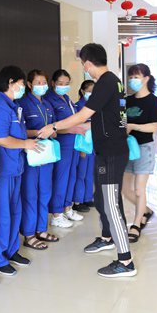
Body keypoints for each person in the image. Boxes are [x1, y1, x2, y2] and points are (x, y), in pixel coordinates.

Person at [38, 43, 137, 278]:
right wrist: (87, 127)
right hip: (106, 150)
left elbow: (84, 114)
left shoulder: (106, 82)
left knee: (111, 205)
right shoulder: (114, 81)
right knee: (102, 199)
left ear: (89, 63)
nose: (84, 69)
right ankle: (107, 237)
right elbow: (108, 117)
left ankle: (126, 261)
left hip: (111, 152)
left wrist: (54, 126)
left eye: (84, 65)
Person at [0, 66, 44, 275]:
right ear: (10, 82)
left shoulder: (13, 105)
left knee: (14, 211)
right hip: (4, 169)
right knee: (3, 214)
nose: (23, 87)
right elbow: (0, 139)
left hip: (16, 167)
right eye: (21, 83)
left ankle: (12, 250)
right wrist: (25, 144)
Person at [18, 69, 60, 250]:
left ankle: (41, 229)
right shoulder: (22, 104)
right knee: (30, 194)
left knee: (45, 193)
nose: (42, 86)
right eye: (38, 83)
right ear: (29, 85)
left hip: (47, 155)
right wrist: (38, 132)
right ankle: (29, 234)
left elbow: (55, 127)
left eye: (44, 82)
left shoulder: (47, 104)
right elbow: (19, 131)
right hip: (32, 155)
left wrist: (53, 131)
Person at [122, 63, 157, 243]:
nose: (133, 80)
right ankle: (145, 210)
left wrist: (134, 126)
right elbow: (120, 121)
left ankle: (136, 224)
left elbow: (154, 126)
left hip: (144, 148)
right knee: (125, 189)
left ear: (146, 79)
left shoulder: (153, 101)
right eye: (130, 77)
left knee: (139, 189)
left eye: (136, 77)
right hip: (127, 148)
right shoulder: (126, 101)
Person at [43, 70, 86, 228]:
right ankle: (57, 213)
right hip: (62, 144)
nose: (64, 86)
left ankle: (67, 207)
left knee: (71, 176)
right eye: (60, 83)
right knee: (60, 179)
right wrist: (72, 129)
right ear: (53, 83)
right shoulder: (49, 100)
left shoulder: (67, 98)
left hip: (73, 143)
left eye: (67, 83)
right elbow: (52, 127)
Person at [72, 80, 96, 213]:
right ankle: (78, 200)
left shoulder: (94, 107)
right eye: (89, 91)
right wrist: (81, 148)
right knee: (81, 173)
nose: (92, 94)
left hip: (92, 145)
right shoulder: (78, 107)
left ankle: (87, 198)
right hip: (83, 145)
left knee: (89, 173)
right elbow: (77, 127)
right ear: (82, 91)